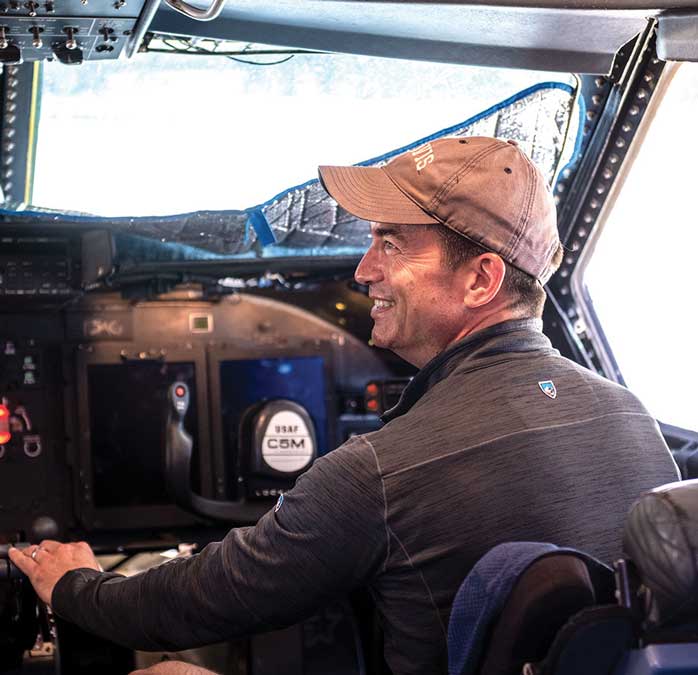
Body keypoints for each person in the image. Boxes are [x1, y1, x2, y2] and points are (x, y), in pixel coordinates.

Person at [10, 137, 679, 675]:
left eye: (391, 242)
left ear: (482, 279)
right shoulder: (634, 418)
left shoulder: (381, 473)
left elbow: (198, 600)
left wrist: (77, 586)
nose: (363, 270)